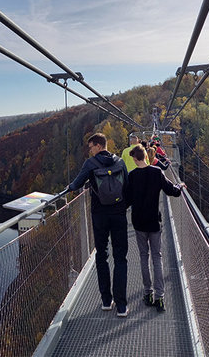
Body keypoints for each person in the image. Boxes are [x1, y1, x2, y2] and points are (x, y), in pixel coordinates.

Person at [67, 133, 129, 317]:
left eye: (91, 146)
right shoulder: (120, 162)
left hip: (99, 216)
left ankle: (106, 300)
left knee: (101, 255)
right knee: (120, 258)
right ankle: (122, 306)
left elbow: (76, 184)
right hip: (118, 215)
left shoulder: (90, 163)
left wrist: (71, 187)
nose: (89, 150)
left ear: (99, 146)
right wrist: (122, 206)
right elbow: (127, 187)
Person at [127, 143, 186, 312]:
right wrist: (180, 187)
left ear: (134, 158)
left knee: (144, 258)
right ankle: (160, 298)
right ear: (146, 156)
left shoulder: (132, 176)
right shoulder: (157, 172)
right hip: (154, 222)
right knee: (157, 258)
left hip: (138, 223)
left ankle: (148, 294)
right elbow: (172, 191)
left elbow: (127, 199)